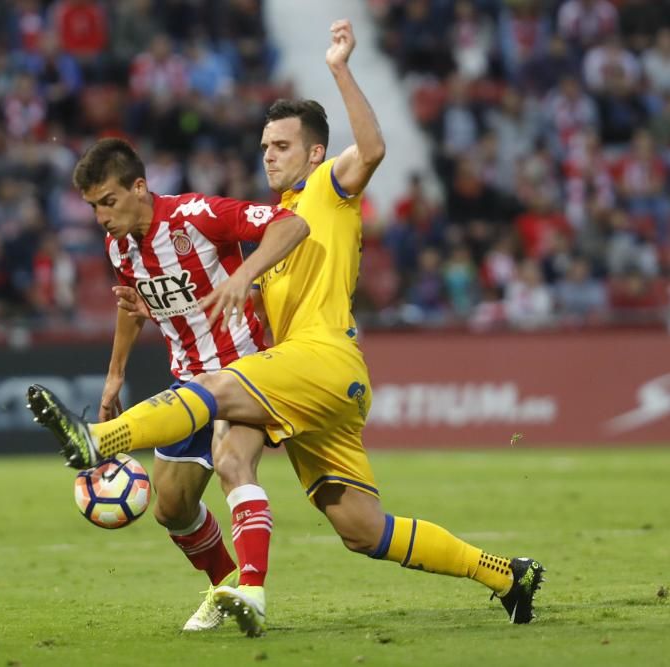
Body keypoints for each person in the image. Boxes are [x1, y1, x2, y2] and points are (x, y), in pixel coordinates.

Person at [28, 20, 545, 636]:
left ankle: (100, 443)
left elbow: (373, 149)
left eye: (281, 146)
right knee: (360, 527)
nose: (268, 155)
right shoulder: (273, 219)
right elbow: (229, 262)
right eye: (265, 146)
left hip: (318, 357)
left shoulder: (327, 188)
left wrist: (339, 69)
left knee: (216, 395)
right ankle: (506, 574)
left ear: (314, 153)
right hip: (311, 381)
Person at [71, 137, 309, 631]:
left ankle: (253, 591)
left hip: (245, 371)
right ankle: (226, 590)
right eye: (93, 207)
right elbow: (131, 305)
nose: (101, 217)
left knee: (232, 463)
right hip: (186, 383)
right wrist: (114, 376)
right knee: (172, 508)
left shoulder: (197, 214)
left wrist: (244, 274)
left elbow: (292, 224)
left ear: (139, 187)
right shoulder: (119, 245)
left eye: (108, 202)